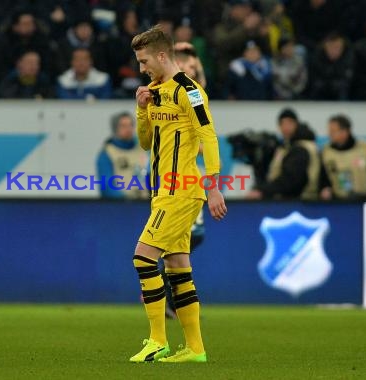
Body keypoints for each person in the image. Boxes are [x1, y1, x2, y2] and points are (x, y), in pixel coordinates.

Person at [129, 24, 226, 363]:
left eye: (144, 62)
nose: (142, 69)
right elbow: (145, 142)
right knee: (177, 268)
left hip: (181, 190)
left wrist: (214, 187)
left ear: (160, 55)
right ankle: (195, 349)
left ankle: (157, 340)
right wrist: (142, 110)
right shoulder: (155, 91)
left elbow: (209, 136)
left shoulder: (189, 90)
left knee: (143, 257)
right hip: (162, 191)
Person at [246, 108, 320, 200]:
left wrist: (263, 190)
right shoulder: (285, 147)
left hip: (302, 202)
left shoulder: (301, 148)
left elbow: (290, 181)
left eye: (289, 123)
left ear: (296, 124)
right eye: (282, 123)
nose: (286, 127)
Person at [319, 114, 366, 201]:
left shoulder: (365, 148)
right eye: (329, 130)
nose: (329, 134)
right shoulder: (326, 151)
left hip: (365, 200)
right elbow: (322, 178)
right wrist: (325, 189)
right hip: (337, 202)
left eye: (333, 131)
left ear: (345, 132)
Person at [96, 111, 149, 200]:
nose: (128, 129)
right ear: (115, 128)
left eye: (130, 125)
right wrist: (125, 199)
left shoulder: (143, 148)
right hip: (121, 205)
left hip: (145, 202)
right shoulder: (106, 153)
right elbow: (106, 186)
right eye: (123, 126)